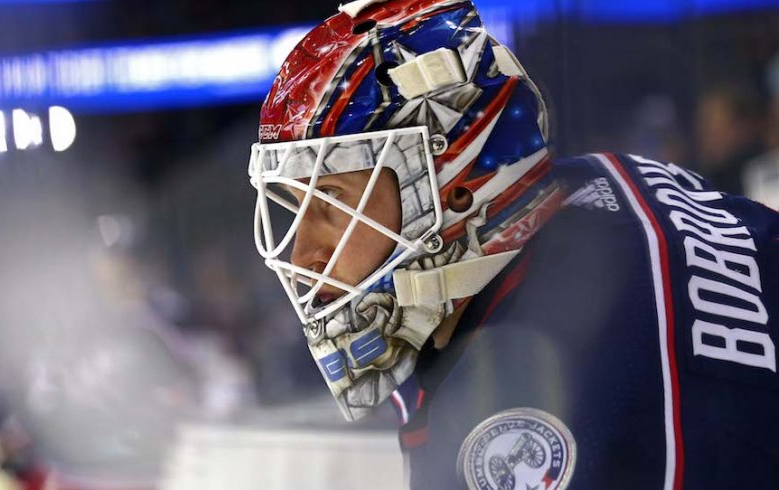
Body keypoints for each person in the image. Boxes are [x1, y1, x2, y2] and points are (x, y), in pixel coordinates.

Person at [246, 0, 779, 488]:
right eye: (297, 207)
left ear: (454, 189)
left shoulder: (530, 404)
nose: (303, 257)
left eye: (333, 202)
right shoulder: (604, 184)